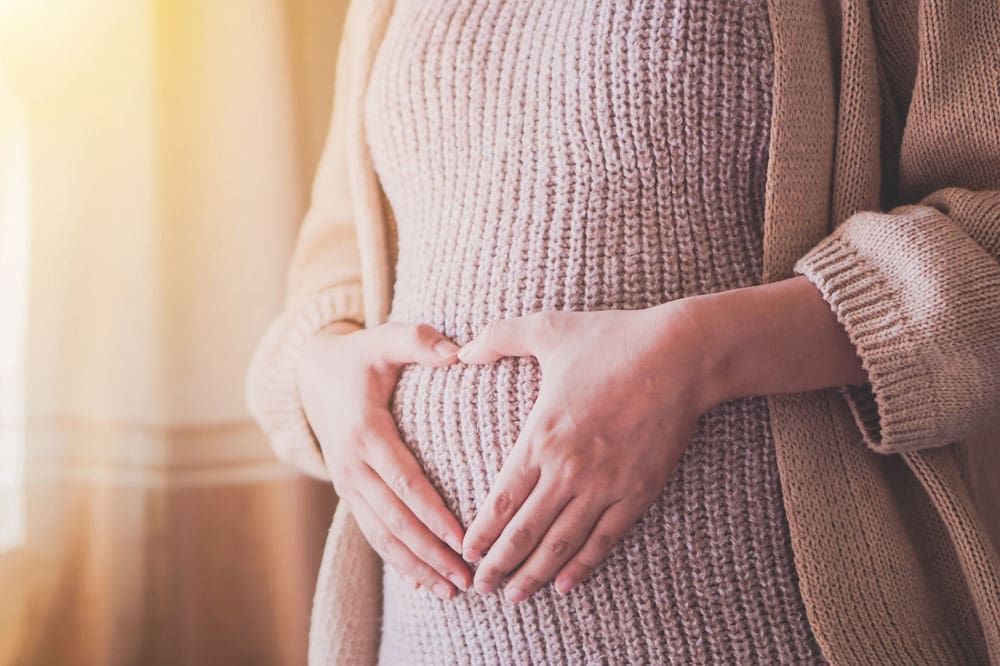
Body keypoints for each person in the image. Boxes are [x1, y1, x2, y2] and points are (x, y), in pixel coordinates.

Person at [246, 0, 1000, 663]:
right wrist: (322, 371)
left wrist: (699, 353)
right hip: (426, 637)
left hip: (761, 626)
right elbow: (337, 261)